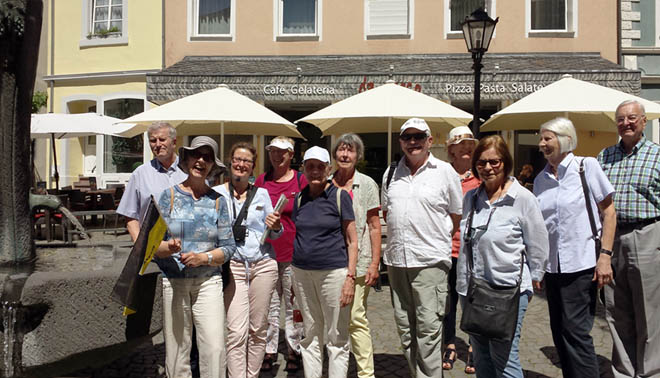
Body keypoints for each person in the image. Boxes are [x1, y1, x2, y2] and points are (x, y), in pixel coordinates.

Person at [457, 135, 549, 378]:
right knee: (480, 356)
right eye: (482, 163)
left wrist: (537, 276)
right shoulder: (471, 198)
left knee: (505, 360)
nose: (487, 168)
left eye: (494, 162)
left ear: (506, 163)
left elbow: (538, 243)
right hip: (473, 290)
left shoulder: (522, 199)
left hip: (507, 291)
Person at [534, 117, 616, 378]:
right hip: (553, 267)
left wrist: (605, 256)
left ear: (565, 139)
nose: (541, 144)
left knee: (576, 332)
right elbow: (541, 226)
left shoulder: (586, 166)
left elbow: (610, 213)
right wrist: (538, 268)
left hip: (582, 263)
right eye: (541, 139)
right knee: (559, 332)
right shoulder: (540, 179)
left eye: (547, 138)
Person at [381, 118, 463, 378]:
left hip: (430, 262)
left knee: (429, 329)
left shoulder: (445, 171)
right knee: (406, 329)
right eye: (407, 137)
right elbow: (387, 211)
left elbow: (456, 215)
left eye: (419, 136)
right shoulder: (391, 172)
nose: (413, 142)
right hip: (397, 261)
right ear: (401, 142)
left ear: (429, 141)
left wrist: (433, 238)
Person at [154, 136, 237, 378]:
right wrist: (167, 247)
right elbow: (152, 246)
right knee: (178, 351)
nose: (201, 160)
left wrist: (204, 258)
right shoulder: (167, 196)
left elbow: (229, 247)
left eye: (207, 157)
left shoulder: (218, 201)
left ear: (212, 165)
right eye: (196, 155)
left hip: (209, 282)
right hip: (175, 281)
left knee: (214, 348)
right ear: (187, 160)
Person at [597, 99, 660, 378]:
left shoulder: (657, 155)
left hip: (647, 235)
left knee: (649, 312)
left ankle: (649, 373)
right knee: (616, 309)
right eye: (621, 119)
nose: (626, 123)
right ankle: (623, 371)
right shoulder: (604, 156)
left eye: (632, 118)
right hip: (611, 240)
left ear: (644, 121)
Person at [214, 142, 283, 378]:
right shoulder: (217, 194)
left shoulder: (261, 193)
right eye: (237, 159)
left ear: (253, 168)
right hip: (233, 266)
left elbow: (274, 233)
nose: (241, 164)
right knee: (235, 330)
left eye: (247, 161)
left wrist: (276, 226)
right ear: (230, 162)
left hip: (262, 264)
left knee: (258, 329)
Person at [291, 146, 358, 378]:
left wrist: (350, 277)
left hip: (334, 274)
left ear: (329, 169)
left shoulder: (340, 197)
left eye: (320, 167)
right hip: (301, 273)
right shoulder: (299, 198)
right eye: (310, 166)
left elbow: (352, 241)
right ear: (303, 169)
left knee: (336, 336)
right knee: (310, 334)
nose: (315, 171)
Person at [330, 133, 381, 378]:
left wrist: (374, 263)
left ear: (358, 156)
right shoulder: (327, 183)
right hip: (328, 261)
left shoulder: (368, 184)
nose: (345, 154)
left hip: (359, 262)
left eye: (350, 150)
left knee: (356, 318)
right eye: (341, 150)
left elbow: (374, 225)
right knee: (332, 320)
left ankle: (365, 374)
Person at [255, 136, 307, 372]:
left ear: (291, 155)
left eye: (282, 152)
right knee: (269, 304)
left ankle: (295, 348)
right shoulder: (261, 181)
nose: (277, 156)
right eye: (273, 151)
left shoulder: (300, 180)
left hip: (293, 252)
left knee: (293, 304)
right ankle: (268, 349)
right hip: (266, 253)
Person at [442, 126, 479, 374]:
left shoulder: (481, 176)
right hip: (446, 250)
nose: (467, 148)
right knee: (447, 304)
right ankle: (450, 344)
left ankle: (475, 347)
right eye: (461, 144)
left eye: (470, 144)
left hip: (474, 252)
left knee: (473, 303)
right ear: (451, 150)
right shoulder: (443, 176)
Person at [117, 121, 188, 241]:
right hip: (154, 250)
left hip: (188, 250)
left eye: (162, 139)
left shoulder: (188, 171)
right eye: (153, 140)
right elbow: (130, 216)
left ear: (174, 142)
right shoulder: (140, 174)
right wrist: (140, 246)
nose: (158, 144)